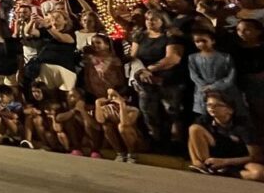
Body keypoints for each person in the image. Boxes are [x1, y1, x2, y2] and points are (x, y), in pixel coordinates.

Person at [129, 9, 185, 146]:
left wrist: (150, 69)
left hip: (168, 80)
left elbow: (173, 58)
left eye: (154, 19)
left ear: (162, 21)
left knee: (173, 112)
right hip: (145, 81)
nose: (150, 22)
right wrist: (140, 72)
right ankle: (156, 140)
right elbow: (133, 57)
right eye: (148, 19)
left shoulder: (170, 36)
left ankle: (177, 143)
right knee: (149, 112)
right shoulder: (140, 36)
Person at [187, 92, 264, 181]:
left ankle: (226, 173)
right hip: (214, 156)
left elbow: (256, 156)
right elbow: (191, 140)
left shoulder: (243, 126)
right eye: (209, 105)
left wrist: (224, 162)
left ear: (230, 110)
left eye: (218, 105)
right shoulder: (204, 120)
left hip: (239, 159)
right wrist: (195, 160)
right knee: (194, 129)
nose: (212, 108)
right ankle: (206, 166)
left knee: (259, 173)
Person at [188, 29, 241, 118]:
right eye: (197, 41)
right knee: (206, 114)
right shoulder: (192, 57)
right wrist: (204, 87)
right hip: (203, 91)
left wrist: (213, 87)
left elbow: (230, 76)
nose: (200, 44)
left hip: (224, 90)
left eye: (204, 41)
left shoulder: (225, 57)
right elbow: (194, 75)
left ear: (213, 41)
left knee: (227, 113)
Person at [232, 19, 264, 137]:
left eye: (247, 30)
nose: (242, 33)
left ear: (258, 31)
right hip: (244, 85)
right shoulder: (236, 48)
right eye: (239, 30)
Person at [95, 86, 142, 163]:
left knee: (122, 127)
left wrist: (121, 104)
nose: (110, 98)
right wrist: (98, 104)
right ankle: (120, 153)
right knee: (106, 126)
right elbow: (100, 120)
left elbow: (125, 124)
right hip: (120, 141)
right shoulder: (109, 108)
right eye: (109, 95)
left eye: (113, 96)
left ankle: (132, 155)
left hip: (136, 142)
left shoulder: (133, 110)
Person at [82, 34, 125, 101]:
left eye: (98, 43)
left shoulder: (114, 60)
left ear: (107, 45)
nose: (95, 45)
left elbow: (120, 77)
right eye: (93, 43)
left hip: (112, 92)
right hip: (94, 94)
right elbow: (86, 76)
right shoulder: (90, 59)